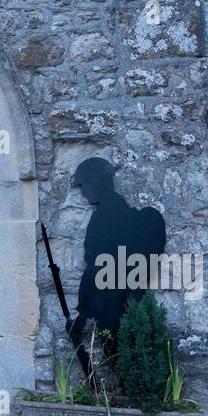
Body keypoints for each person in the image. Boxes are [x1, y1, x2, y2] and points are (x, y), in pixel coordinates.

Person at [66, 157, 166, 385]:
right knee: (119, 364)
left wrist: (83, 313)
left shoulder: (109, 217)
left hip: (115, 305)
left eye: (85, 186)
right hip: (109, 303)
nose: (83, 193)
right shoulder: (104, 215)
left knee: (122, 364)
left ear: (97, 182)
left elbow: (100, 268)